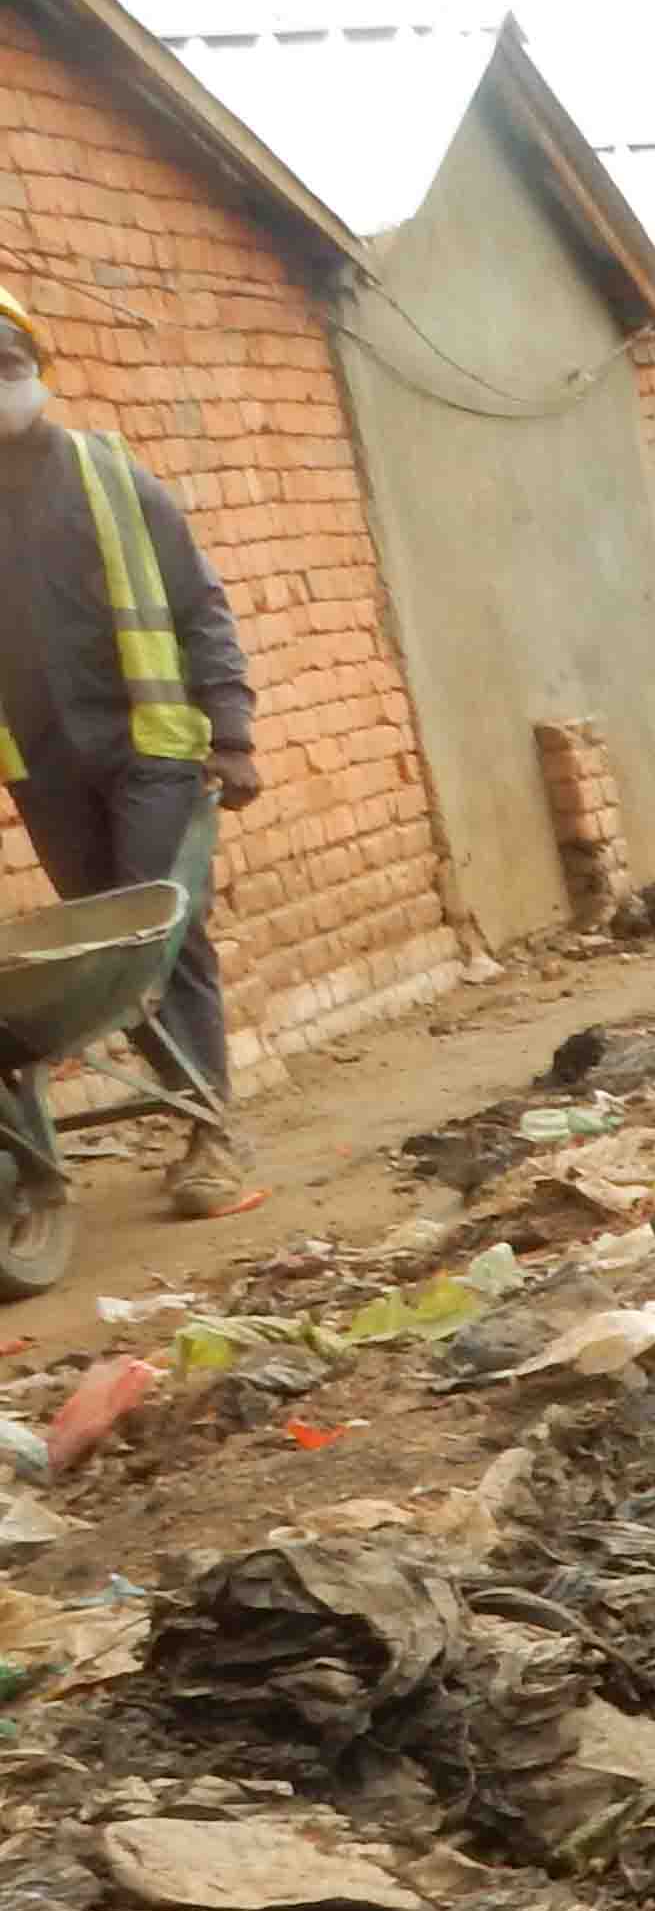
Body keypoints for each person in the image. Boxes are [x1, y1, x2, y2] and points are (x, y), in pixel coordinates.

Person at [0, 281, 262, 1218]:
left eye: (9, 366)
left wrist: (230, 733)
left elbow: (201, 606)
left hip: (152, 749)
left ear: (41, 374)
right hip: (45, 767)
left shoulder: (113, 478)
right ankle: (192, 1109)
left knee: (157, 936)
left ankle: (212, 1132)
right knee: (103, 950)